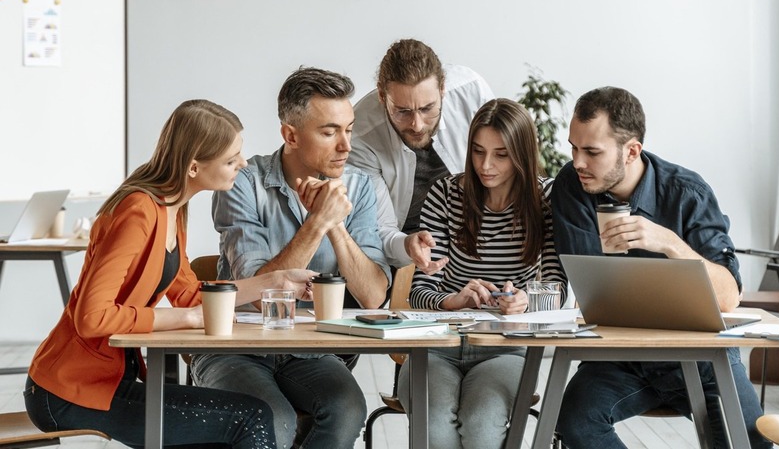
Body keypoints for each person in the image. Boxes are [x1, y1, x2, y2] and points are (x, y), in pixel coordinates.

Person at [24, 99, 317, 448]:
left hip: (110, 382)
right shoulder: (139, 212)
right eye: (230, 158)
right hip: (69, 392)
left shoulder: (169, 210)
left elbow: (192, 296)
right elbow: (92, 317)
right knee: (251, 417)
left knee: (248, 416)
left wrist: (275, 281)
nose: (242, 162)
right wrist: (189, 318)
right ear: (194, 167)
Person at [551, 86, 771, 449]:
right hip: (620, 358)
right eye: (574, 147)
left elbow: (729, 296)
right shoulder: (572, 187)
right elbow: (587, 282)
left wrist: (668, 242)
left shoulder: (688, 193)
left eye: (592, 151)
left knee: (752, 441)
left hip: (700, 356)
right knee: (576, 421)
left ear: (632, 150)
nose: (578, 162)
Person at [191, 67, 390, 449]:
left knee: (346, 410)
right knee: (273, 419)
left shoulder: (360, 187)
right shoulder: (243, 182)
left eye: (349, 129)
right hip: (236, 343)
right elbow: (253, 290)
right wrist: (316, 222)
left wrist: (335, 223)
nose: (346, 145)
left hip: (309, 348)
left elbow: (372, 296)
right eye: (330, 132)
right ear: (291, 135)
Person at [396, 98, 566, 449]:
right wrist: (451, 300)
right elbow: (420, 291)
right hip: (437, 345)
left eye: (501, 155)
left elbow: (557, 290)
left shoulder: (545, 198)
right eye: (477, 151)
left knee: (481, 427)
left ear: (521, 153)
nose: (486, 165)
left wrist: (526, 300)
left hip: (506, 349)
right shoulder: (445, 194)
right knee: (434, 429)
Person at [349, 38, 494, 274]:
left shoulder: (472, 92)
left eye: (427, 108)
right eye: (402, 112)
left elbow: (505, 171)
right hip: (402, 250)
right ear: (382, 96)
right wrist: (406, 244)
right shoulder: (360, 133)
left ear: (443, 88)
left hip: (478, 235)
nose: (417, 125)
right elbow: (379, 228)